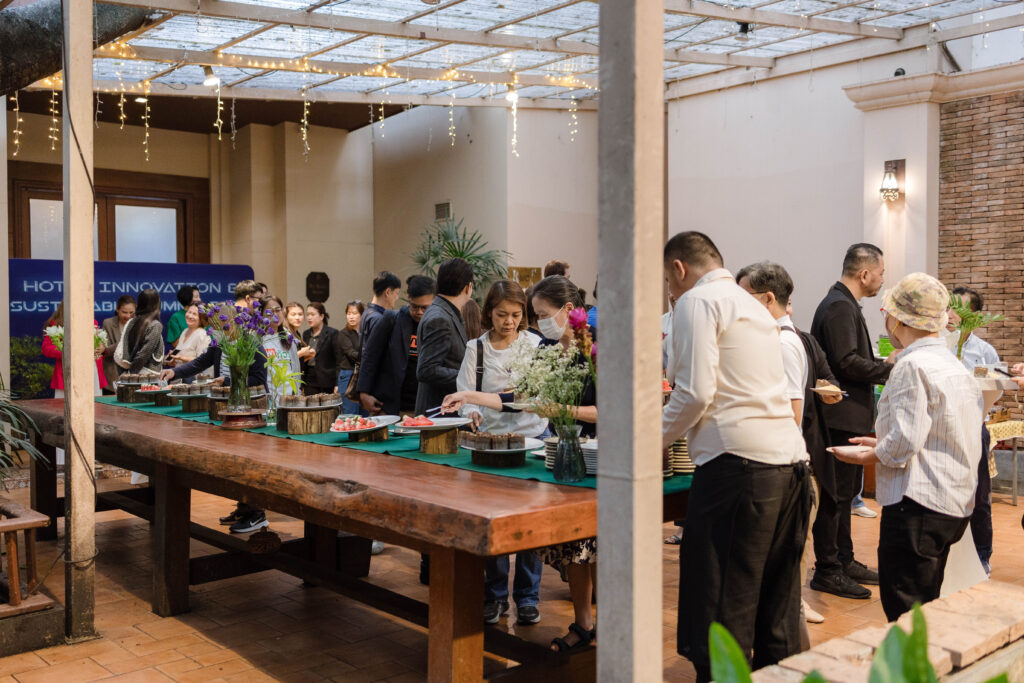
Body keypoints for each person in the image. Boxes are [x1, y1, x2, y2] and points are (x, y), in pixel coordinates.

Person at [662, 232, 810, 681]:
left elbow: (694, 392)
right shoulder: (754, 306)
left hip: (739, 469)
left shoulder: (697, 300)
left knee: (720, 603)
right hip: (790, 466)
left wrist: (646, 444)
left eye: (667, 278)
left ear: (678, 268)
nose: (669, 289)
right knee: (776, 607)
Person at [833, 273, 983, 621]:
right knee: (926, 607)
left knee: (905, 614)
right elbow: (939, 432)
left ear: (898, 319)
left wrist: (872, 454)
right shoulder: (952, 364)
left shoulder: (911, 365)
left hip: (918, 504)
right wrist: (884, 443)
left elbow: (902, 444)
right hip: (952, 502)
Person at [737, 262, 844, 631]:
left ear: (768, 299)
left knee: (788, 549)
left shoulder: (782, 343)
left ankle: (789, 614)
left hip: (784, 462)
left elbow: (791, 413)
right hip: (784, 460)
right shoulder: (776, 338)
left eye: (744, 297)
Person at [440, 281, 547, 627]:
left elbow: (536, 395)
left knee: (531, 523)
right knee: (494, 520)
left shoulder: (535, 344)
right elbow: (464, 393)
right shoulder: (477, 348)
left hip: (533, 437)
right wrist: (470, 411)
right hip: (491, 443)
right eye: (502, 315)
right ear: (489, 313)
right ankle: (495, 594)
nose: (509, 322)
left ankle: (528, 597)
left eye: (516, 315)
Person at [809, 243, 891, 599]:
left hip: (847, 417)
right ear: (865, 273)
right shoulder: (839, 306)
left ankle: (844, 559)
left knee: (844, 497)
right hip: (839, 418)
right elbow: (846, 362)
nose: (882, 280)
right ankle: (828, 569)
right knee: (835, 496)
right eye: (881, 273)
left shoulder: (843, 303)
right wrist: (889, 369)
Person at [161, 280, 269, 534]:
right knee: (234, 463)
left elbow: (259, 380)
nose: (215, 330)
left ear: (232, 322)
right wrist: (175, 372)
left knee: (247, 463)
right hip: (228, 408)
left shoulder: (252, 343)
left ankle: (257, 513)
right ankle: (244, 507)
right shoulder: (220, 342)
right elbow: (200, 362)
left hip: (249, 409)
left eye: (219, 325)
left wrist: (229, 381)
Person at [529, 276, 599, 650]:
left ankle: (604, 623)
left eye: (543, 314)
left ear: (568, 310)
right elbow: (526, 394)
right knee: (575, 544)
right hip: (562, 454)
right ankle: (584, 623)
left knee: (594, 544)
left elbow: (610, 409)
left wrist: (563, 409)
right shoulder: (548, 350)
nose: (540, 322)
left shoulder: (596, 348)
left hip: (597, 458)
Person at [947, 286, 998, 575]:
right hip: (944, 430)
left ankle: (982, 555)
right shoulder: (938, 346)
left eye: (960, 309)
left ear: (976, 317)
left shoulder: (985, 351)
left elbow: (995, 390)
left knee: (979, 497)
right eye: (949, 307)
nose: (951, 314)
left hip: (974, 427)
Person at [358, 276, 436, 416]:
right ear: (408, 299)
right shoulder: (392, 319)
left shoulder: (438, 324)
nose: (419, 312)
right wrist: (364, 392)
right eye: (414, 306)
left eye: (424, 307)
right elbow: (370, 356)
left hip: (424, 407)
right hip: (389, 406)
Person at [415, 258, 474, 415]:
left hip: (443, 409)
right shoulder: (440, 318)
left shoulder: (442, 311)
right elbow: (427, 370)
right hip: (439, 412)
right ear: (468, 287)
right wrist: (468, 375)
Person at [356, 272, 402, 414]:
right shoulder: (378, 319)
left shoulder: (367, 313)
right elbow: (373, 355)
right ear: (388, 292)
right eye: (397, 293)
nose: (397, 298)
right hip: (376, 385)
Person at [42, 303, 107, 398]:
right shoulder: (56, 324)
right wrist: (71, 353)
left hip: (91, 370)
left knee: (95, 404)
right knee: (64, 405)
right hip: (69, 370)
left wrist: (101, 349)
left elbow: (98, 344)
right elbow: (47, 348)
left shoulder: (92, 322)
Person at [261, 295, 301, 399]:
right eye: (270, 312)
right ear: (261, 314)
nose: (275, 315)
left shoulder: (288, 337)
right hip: (268, 399)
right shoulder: (258, 339)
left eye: (278, 310)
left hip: (289, 399)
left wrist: (297, 394)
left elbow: (295, 369)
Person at [301, 302, 342, 396]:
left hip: (327, 380)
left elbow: (339, 360)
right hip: (309, 379)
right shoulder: (306, 334)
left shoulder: (332, 333)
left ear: (321, 316)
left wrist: (337, 383)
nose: (309, 318)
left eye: (312, 314)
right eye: (308, 314)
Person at [122, 289, 166, 375]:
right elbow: (145, 352)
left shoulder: (133, 321)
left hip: (135, 370)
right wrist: (132, 373)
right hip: (147, 374)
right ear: (157, 304)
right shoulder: (155, 325)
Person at [100, 294, 135, 392]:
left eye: (131, 312)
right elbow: (105, 350)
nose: (128, 316)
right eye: (124, 312)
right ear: (117, 309)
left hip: (134, 376)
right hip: (113, 376)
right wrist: (125, 342)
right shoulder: (108, 323)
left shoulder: (139, 324)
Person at [166, 304, 211, 379]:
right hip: (179, 377)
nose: (190, 316)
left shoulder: (202, 335)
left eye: (194, 314)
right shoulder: (185, 331)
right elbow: (182, 352)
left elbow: (203, 361)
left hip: (193, 379)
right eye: (189, 312)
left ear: (201, 319)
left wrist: (181, 357)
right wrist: (173, 357)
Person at [337, 300, 364, 414]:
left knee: (366, 414)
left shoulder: (366, 332)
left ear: (362, 315)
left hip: (364, 374)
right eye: (348, 313)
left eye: (354, 313)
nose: (351, 317)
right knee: (350, 413)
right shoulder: (343, 333)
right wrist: (369, 356)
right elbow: (351, 353)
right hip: (348, 375)